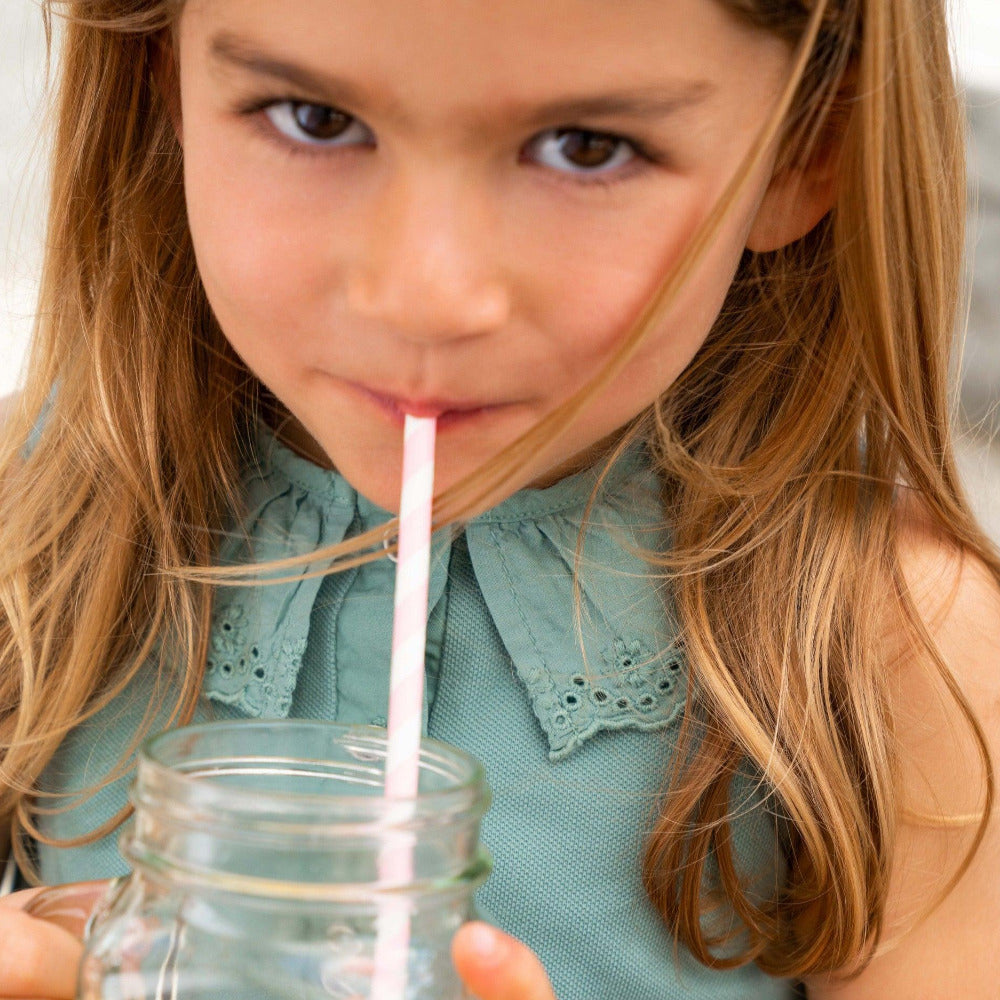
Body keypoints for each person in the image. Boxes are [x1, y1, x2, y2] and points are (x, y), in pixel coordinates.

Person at [1, 0, 999, 996]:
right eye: (313, 117)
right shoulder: (26, 529)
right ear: (156, 80)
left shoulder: (906, 651)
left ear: (805, 151)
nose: (424, 293)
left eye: (585, 146)